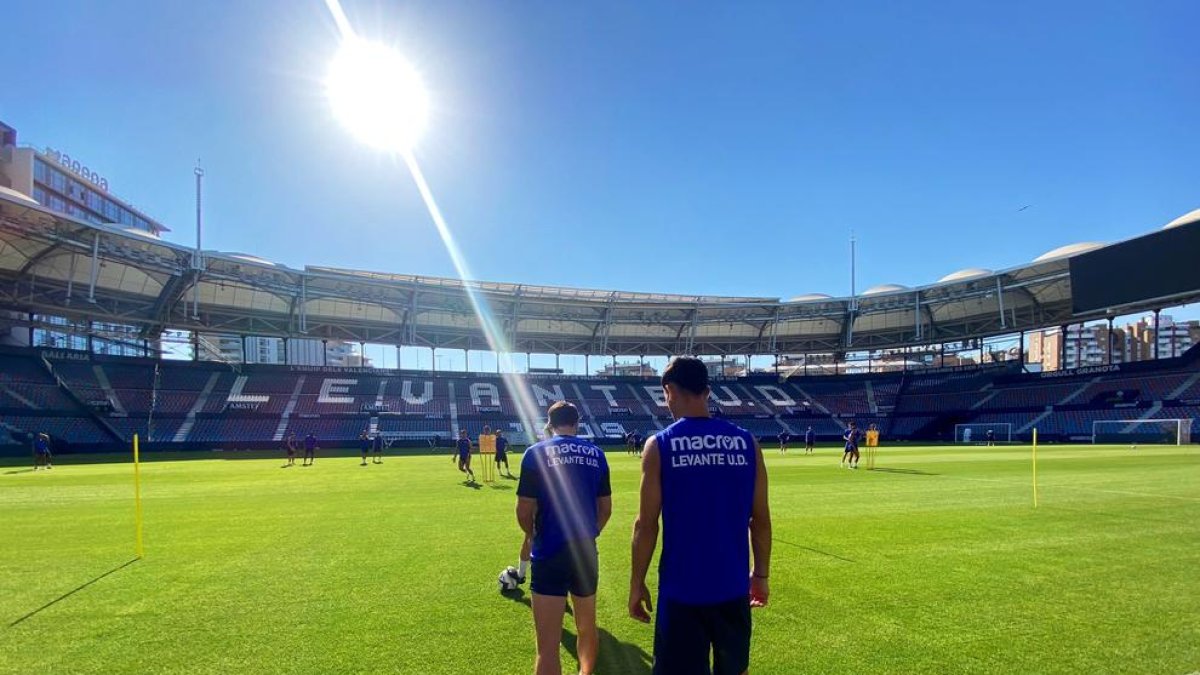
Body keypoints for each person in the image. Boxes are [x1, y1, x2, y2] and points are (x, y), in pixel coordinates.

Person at [629, 356, 771, 675]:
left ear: (669, 391)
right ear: (707, 392)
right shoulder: (748, 444)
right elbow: (760, 519)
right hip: (732, 589)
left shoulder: (660, 446)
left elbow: (645, 524)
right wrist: (760, 576)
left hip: (681, 592)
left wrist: (636, 584)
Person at [517, 401, 612, 675]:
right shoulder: (596, 454)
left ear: (550, 423)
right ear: (577, 422)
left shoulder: (535, 453)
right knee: (586, 627)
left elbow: (524, 509)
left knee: (547, 646)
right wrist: (590, 533)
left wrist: (532, 534)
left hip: (549, 551)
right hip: (585, 552)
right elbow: (605, 509)